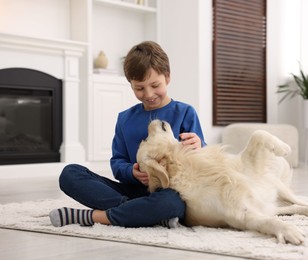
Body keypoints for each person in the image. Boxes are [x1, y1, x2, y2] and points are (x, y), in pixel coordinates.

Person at [49, 41, 206, 228]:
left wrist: (199, 146)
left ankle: (94, 217)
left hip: (168, 191)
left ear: (168, 77)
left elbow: (199, 163)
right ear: (131, 85)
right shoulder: (125, 119)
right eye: (139, 88)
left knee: (173, 203)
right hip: (130, 191)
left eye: (155, 85)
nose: (148, 94)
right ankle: (145, 213)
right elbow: (118, 163)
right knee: (70, 174)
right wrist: (131, 171)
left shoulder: (185, 112)